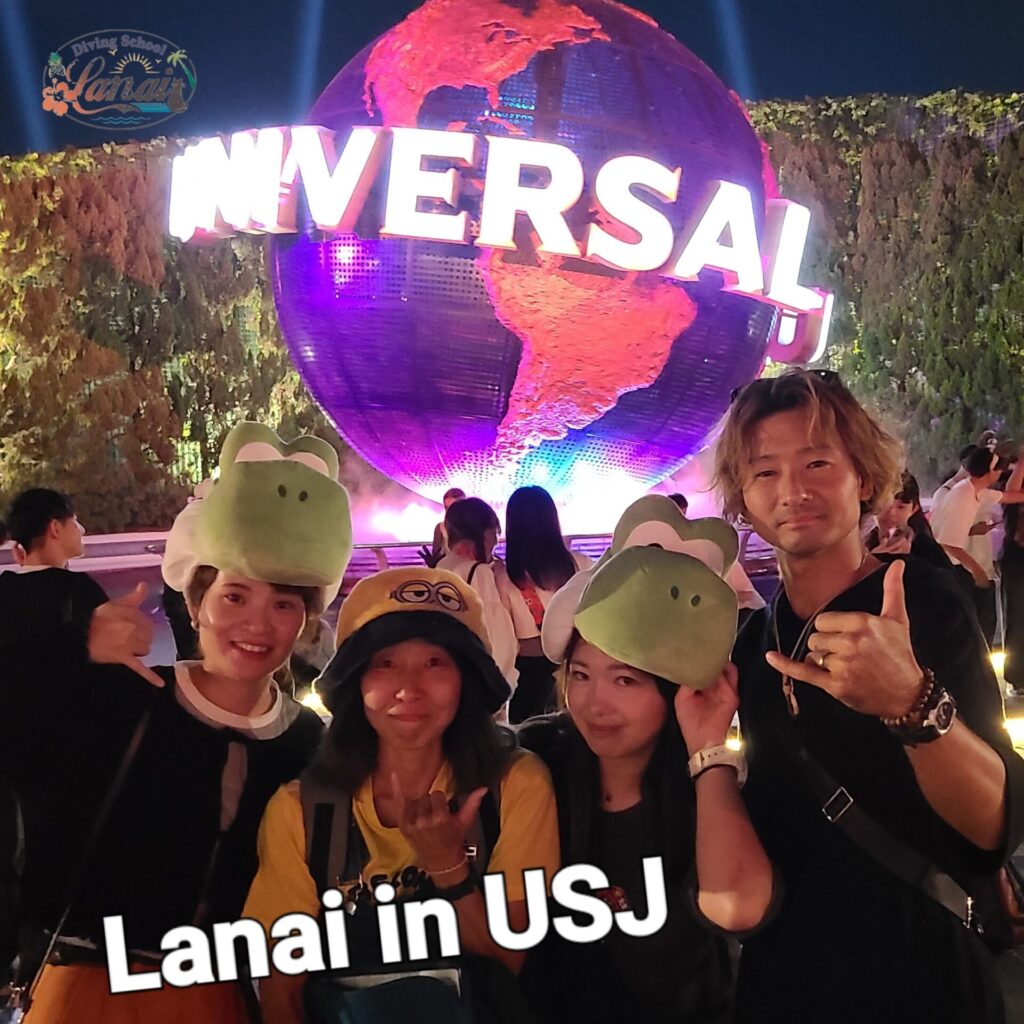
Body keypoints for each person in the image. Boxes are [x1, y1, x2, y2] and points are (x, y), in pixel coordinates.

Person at [3, 423, 354, 1024]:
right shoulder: (124, 699)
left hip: (224, 997)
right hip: (90, 992)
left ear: (305, 621)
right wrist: (73, 649)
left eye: (284, 604)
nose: (257, 624)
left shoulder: (308, 744)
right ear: (195, 604)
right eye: (235, 596)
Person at [715, 368, 1024, 1023]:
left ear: (862, 475)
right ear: (743, 498)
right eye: (765, 471)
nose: (792, 491)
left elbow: (993, 830)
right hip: (788, 979)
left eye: (817, 462)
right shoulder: (751, 644)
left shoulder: (923, 603)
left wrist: (912, 701)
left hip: (922, 975)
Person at [243, 566, 560, 1023]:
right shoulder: (302, 810)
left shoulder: (514, 785)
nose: (409, 689)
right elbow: (281, 989)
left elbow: (508, 959)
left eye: (435, 663)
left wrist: (448, 866)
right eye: (385, 663)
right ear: (356, 680)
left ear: (466, 679)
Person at [517, 517, 775, 1024]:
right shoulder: (536, 763)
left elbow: (738, 909)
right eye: (581, 675)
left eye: (625, 681)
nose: (594, 703)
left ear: (676, 689)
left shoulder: (711, 787)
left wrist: (707, 747)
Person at [502, 486, 592, 723]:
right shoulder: (582, 565)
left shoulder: (502, 575)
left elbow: (502, 638)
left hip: (528, 677)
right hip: (576, 668)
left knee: (529, 738)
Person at [930, 445, 1024, 645]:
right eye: (999, 469)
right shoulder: (963, 495)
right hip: (953, 567)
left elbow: (1010, 496)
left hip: (960, 566)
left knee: (985, 621)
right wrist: (977, 571)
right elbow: (948, 542)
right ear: (990, 472)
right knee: (975, 625)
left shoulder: (976, 490)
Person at [0, 489, 108, 652]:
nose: (82, 530)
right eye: (75, 521)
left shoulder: (6, 589)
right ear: (55, 528)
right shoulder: (79, 589)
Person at [437, 497, 519, 696]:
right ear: (483, 532)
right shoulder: (478, 572)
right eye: (494, 532)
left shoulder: (442, 566)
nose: (496, 541)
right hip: (481, 683)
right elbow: (498, 639)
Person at [867, 471, 953, 572]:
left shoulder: (925, 545)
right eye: (884, 505)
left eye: (901, 507)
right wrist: (873, 558)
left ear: (914, 509)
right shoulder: (861, 541)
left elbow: (950, 578)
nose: (892, 513)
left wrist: (908, 559)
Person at [419, 487, 466, 568]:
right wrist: (433, 564)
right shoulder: (440, 528)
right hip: (446, 572)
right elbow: (436, 555)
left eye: (453, 507)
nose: (449, 511)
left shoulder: (475, 528)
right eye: (446, 507)